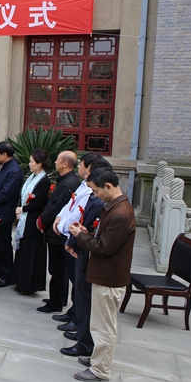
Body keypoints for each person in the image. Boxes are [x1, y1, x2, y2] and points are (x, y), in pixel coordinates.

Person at [68, 167, 136, 382]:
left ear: (108, 186)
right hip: (103, 274)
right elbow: (103, 239)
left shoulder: (120, 214)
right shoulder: (114, 207)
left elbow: (104, 247)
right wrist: (87, 233)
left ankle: (100, 369)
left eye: (97, 191)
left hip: (109, 277)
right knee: (98, 323)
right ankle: (98, 359)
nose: (95, 196)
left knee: (104, 326)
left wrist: (81, 236)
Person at [60, 157, 111, 359]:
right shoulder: (94, 197)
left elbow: (91, 229)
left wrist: (75, 239)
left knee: (86, 300)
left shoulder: (101, 203)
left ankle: (85, 342)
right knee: (81, 295)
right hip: (80, 247)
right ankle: (82, 336)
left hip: (87, 253)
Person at [52, 153, 99, 326]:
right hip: (67, 233)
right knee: (74, 279)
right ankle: (73, 311)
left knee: (79, 282)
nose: (78, 167)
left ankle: (78, 318)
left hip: (76, 238)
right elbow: (68, 206)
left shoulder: (90, 191)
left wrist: (62, 225)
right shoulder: (81, 185)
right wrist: (58, 219)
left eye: (81, 165)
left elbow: (78, 215)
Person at [37, 150, 80, 313]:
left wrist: (42, 221)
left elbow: (57, 206)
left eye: (57, 160)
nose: (54, 162)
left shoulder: (69, 183)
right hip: (55, 230)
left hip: (58, 232)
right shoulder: (65, 180)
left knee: (57, 268)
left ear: (65, 164)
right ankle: (58, 298)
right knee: (58, 267)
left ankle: (56, 302)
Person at [12, 149, 52, 294]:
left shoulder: (44, 180)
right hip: (24, 218)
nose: (29, 164)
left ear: (40, 164)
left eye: (31, 162)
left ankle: (28, 284)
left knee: (31, 252)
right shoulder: (31, 177)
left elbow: (39, 202)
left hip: (33, 220)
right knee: (22, 250)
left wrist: (23, 209)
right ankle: (19, 280)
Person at [0, 141, 23, 288]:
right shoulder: (1, 166)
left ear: (5, 154)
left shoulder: (14, 170)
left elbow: (6, 194)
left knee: (3, 244)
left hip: (5, 211)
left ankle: (7, 275)